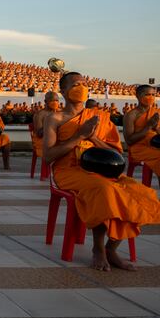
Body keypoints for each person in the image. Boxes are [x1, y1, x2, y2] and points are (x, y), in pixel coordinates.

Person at [44, 73, 160, 271]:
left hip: (102, 168)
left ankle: (110, 247)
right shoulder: (54, 118)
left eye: (83, 84)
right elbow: (48, 157)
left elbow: (116, 153)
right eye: (75, 84)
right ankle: (97, 248)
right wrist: (79, 136)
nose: (81, 87)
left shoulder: (99, 118)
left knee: (141, 192)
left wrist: (94, 137)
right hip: (68, 171)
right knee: (104, 189)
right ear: (63, 91)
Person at [123, 84, 159, 186]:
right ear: (138, 96)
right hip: (139, 148)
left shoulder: (156, 113)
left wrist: (156, 128)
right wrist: (148, 127)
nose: (151, 97)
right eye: (147, 94)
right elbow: (129, 140)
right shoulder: (131, 115)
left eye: (153, 94)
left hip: (155, 145)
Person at [31, 91, 61, 162]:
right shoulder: (40, 115)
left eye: (56, 100)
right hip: (44, 142)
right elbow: (39, 134)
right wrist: (50, 124)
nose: (55, 103)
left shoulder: (61, 112)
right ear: (45, 101)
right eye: (52, 100)